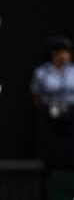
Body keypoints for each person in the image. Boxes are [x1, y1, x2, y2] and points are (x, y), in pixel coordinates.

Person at [30, 35, 74, 170]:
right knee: (51, 149)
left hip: (71, 114)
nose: (67, 55)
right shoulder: (42, 72)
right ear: (55, 53)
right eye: (64, 51)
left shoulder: (72, 70)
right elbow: (37, 96)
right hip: (50, 115)